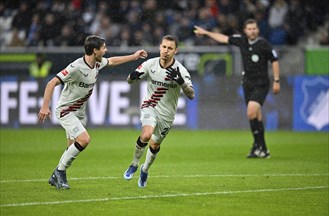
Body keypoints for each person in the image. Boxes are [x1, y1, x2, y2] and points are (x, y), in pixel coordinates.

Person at [38, 35, 148, 189]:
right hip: (66, 111)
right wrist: (45, 106)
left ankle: (56, 176)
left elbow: (112, 61)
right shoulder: (76, 67)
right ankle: (59, 173)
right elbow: (51, 83)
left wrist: (134, 56)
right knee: (84, 140)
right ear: (95, 50)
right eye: (103, 48)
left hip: (80, 113)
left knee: (71, 148)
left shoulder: (97, 63)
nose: (106, 50)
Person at [194, 19, 280, 158]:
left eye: (254, 28)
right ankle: (260, 148)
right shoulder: (242, 41)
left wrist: (276, 80)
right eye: (249, 29)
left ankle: (259, 147)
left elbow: (274, 60)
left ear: (257, 30)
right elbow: (223, 38)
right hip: (248, 84)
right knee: (256, 115)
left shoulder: (264, 44)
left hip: (261, 84)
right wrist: (206, 33)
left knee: (251, 112)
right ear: (245, 31)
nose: (252, 31)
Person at [123, 35, 194, 188]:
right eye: (164, 47)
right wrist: (132, 77)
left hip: (167, 115)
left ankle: (145, 169)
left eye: (170, 48)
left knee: (154, 145)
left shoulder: (180, 70)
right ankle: (134, 164)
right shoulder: (150, 64)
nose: (166, 51)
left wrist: (180, 81)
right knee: (146, 134)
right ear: (160, 47)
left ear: (176, 51)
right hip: (150, 106)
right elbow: (130, 80)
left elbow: (191, 95)